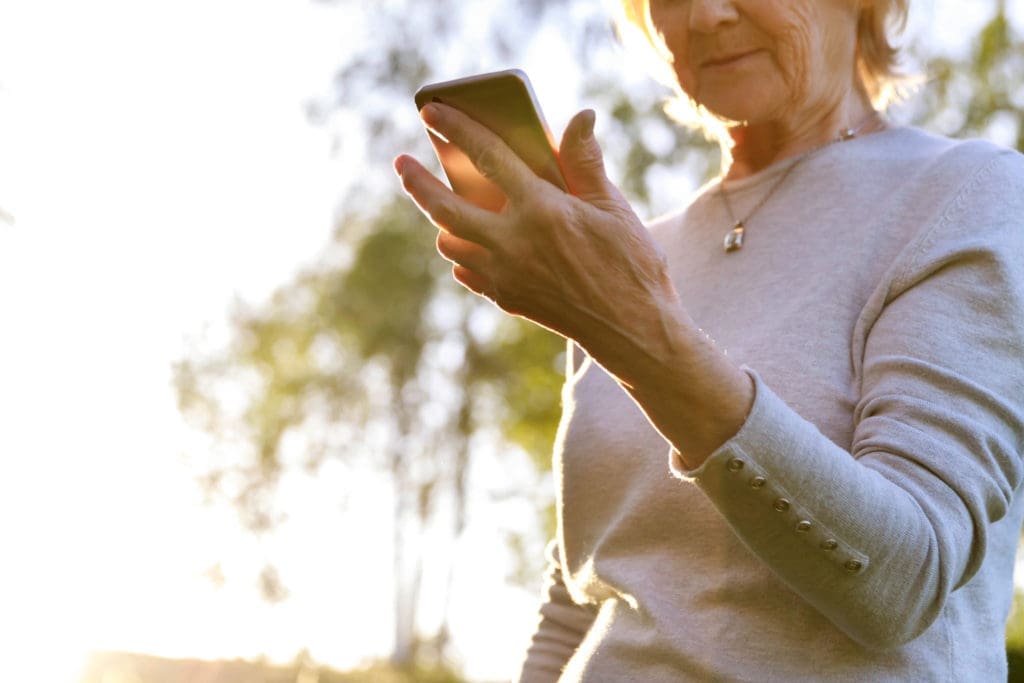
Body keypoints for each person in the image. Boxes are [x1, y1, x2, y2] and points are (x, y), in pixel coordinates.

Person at [394, 0, 1024, 679]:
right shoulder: (626, 253)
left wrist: (640, 334)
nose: (705, 16)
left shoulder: (970, 193)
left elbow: (905, 581)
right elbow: (584, 587)